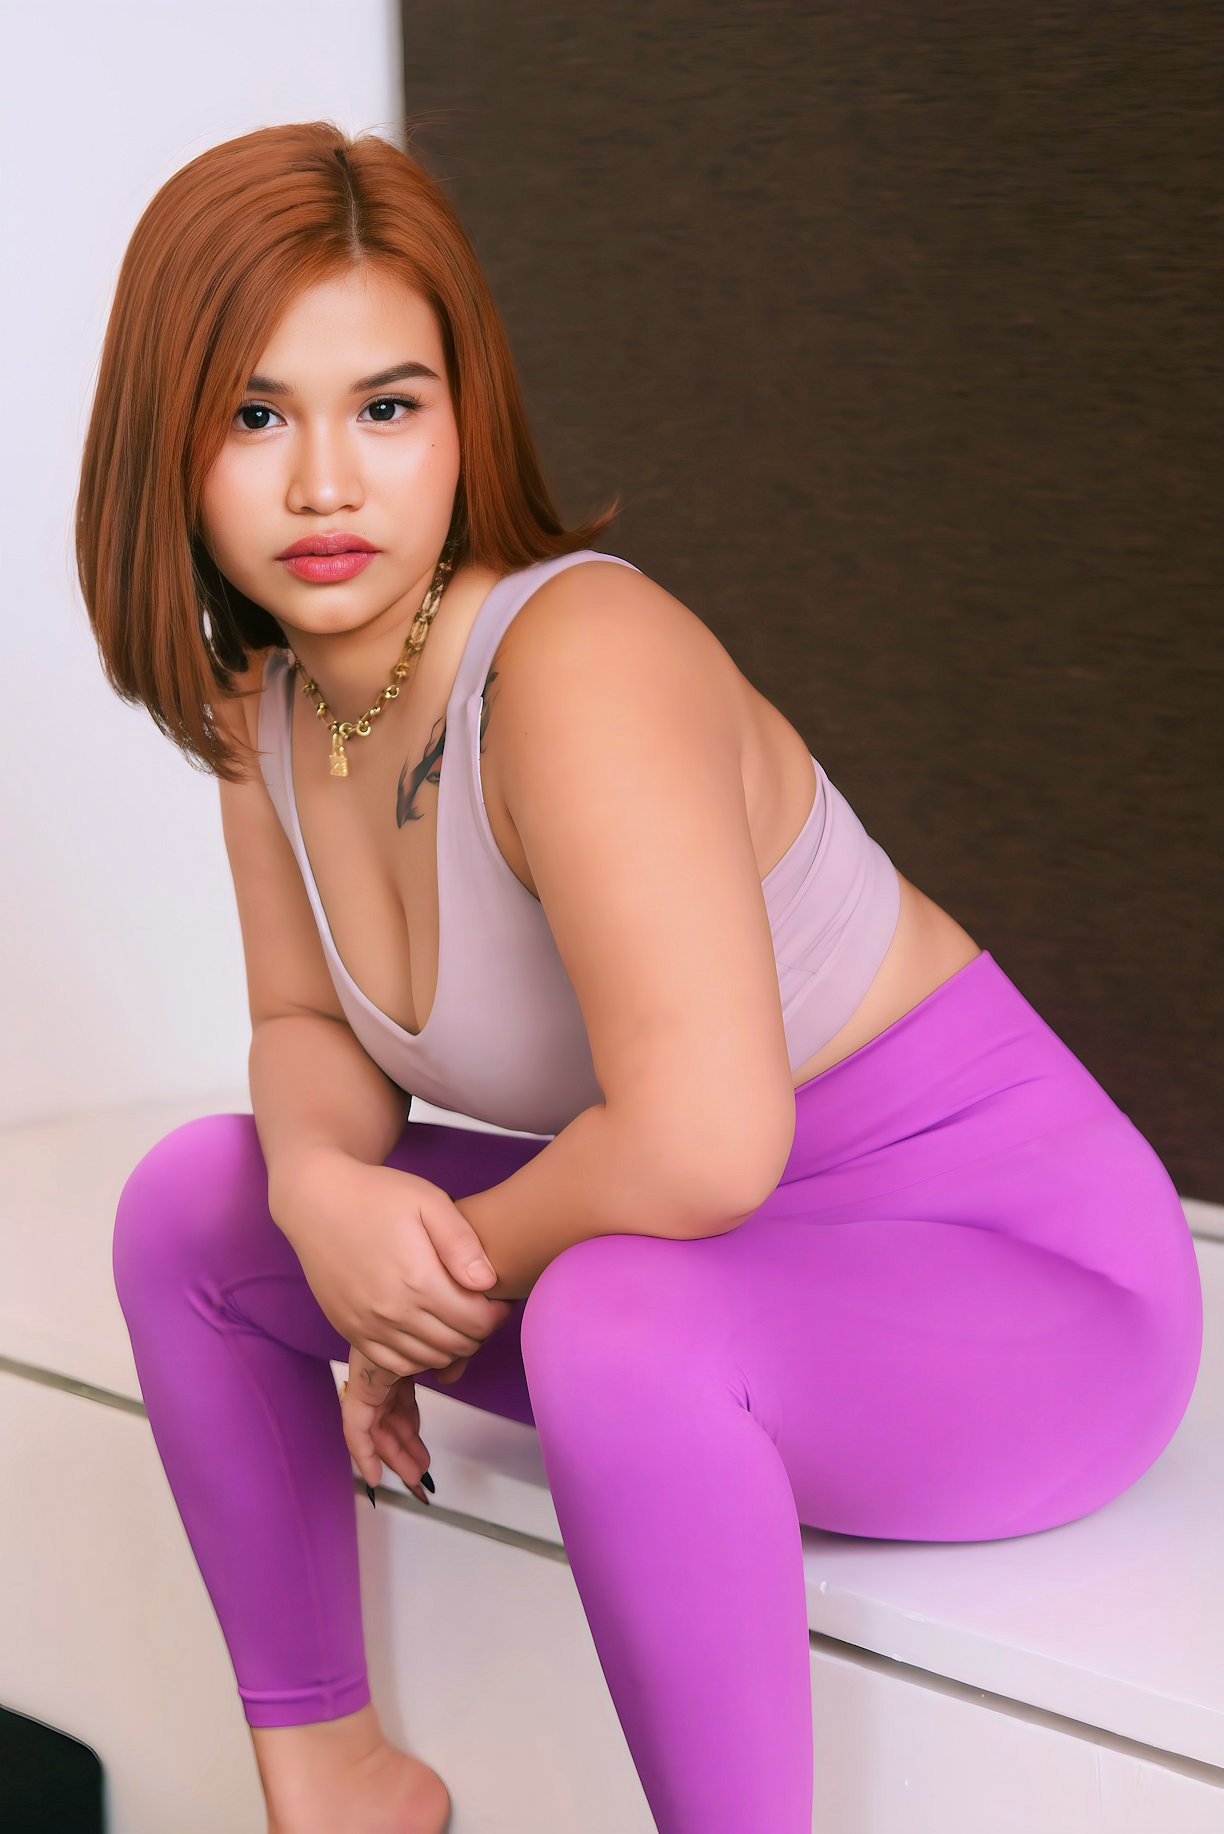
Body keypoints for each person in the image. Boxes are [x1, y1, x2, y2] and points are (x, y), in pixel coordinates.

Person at [77, 122, 1203, 1834]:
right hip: (712, 1275)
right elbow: (307, 1027)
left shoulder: (577, 660)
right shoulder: (273, 716)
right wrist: (320, 1196)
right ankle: (335, 1789)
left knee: (611, 1315)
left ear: (466, 414)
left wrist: (415, 1289)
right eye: (254, 415)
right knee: (196, 1207)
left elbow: (699, 1141)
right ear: (164, 441)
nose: (325, 485)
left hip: (1023, 1293)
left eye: (387, 406)